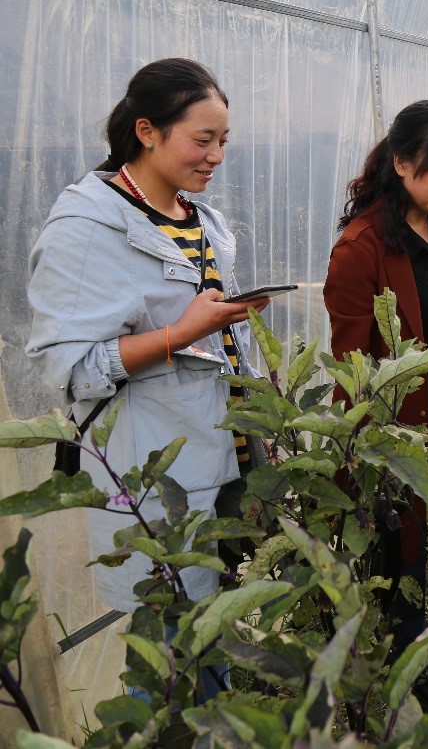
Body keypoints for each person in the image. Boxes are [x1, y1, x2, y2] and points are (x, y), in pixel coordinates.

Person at [26, 57, 266, 698]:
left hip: (228, 456)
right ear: (147, 131)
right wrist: (179, 334)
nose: (216, 156)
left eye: (224, 141)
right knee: (168, 656)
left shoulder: (200, 220)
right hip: (156, 477)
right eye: (203, 139)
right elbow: (69, 366)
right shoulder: (87, 228)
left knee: (209, 634)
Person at [323, 99, 428, 705]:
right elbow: (351, 365)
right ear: (401, 163)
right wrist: (359, 454)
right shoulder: (361, 247)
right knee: (403, 562)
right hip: (400, 430)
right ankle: (416, 677)